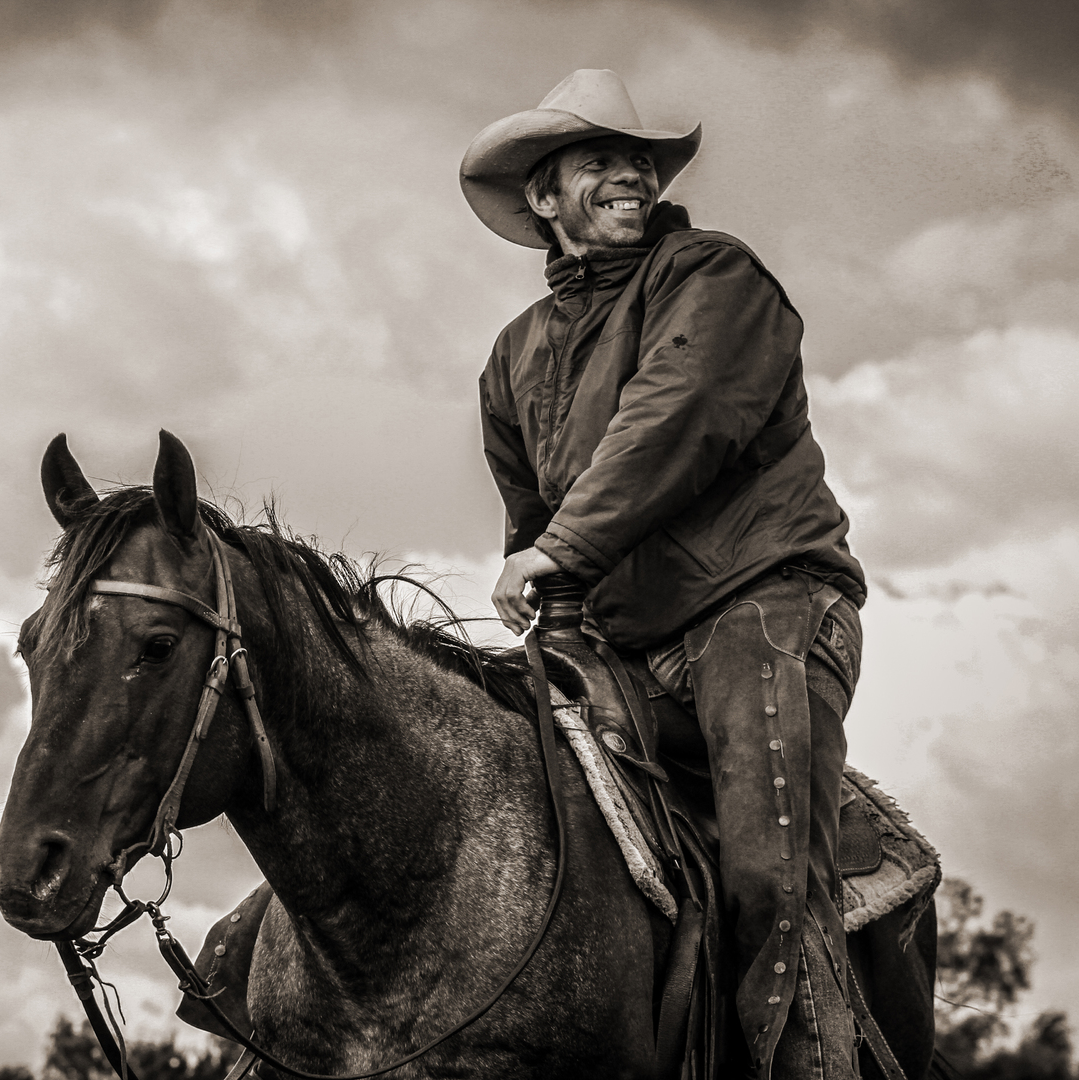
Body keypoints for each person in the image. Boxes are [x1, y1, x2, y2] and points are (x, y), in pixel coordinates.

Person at [461, 69, 866, 1080]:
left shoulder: (713, 275)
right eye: (601, 160)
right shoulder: (513, 357)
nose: (632, 176)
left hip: (761, 602)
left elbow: (675, 418)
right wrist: (550, 610)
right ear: (543, 196)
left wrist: (557, 553)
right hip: (626, 644)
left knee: (772, 882)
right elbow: (533, 520)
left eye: (640, 161)